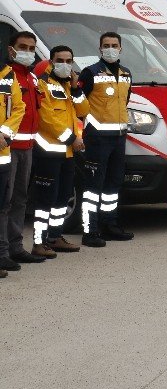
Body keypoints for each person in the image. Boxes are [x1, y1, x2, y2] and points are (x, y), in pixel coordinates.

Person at [78, 31, 134, 246]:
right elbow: (79, 104)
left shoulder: (126, 73)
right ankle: (89, 230)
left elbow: (124, 101)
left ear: (121, 48)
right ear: (99, 48)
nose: (110, 48)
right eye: (106, 45)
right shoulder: (90, 72)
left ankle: (109, 225)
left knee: (113, 185)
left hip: (119, 137)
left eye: (114, 45)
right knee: (93, 186)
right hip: (97, 139)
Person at [31, 46, 89, 252]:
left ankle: (54, 237)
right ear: (51, 62)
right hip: (49, 152)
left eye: (69, 61)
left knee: (63, 197)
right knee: (45, 200)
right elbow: (48, 120)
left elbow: (84, 110)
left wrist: (76, 88)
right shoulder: (43, 85)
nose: (65, 65)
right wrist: (72, 139)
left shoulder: (67, 86)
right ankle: (39, 242)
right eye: (60, 60)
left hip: (67, 153)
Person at [0, 31, 44, 263]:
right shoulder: (7, 76)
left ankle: (16, 247)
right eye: (23, 47)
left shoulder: (33, 78)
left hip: (27, 146)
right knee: (4, 201)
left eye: (31, 48)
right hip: (7, 147)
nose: (28, 52)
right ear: (11, 50)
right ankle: (3, 251)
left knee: (20, 198)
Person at [0, 59, 25, 275]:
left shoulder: (9, 75)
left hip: (3, 153)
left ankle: (1, 255)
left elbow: (19, 107)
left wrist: (5, 132)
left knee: (2, 206)